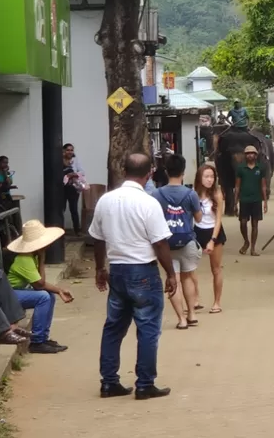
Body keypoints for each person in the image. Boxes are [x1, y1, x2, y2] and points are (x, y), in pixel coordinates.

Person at [89, 153, 178, 400]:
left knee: (113, 328)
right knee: (148, 329)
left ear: (122, 169)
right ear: (149, 173)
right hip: (143, 271)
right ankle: (145, 384)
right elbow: (160, 243)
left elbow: (97, 238)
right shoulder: (148, 203)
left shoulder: (105, 201)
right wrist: (171, 274)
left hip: (116, 269)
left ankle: (109, 382)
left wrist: (100, 269)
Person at [150, 154, 203, 330]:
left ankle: (181, 319)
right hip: (187, 240)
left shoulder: (156, 194)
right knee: (188, 277)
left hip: (165, 244)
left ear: (166, 171)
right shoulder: (191, 194)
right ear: (183, 171)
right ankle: (192, 314)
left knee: (173, 279)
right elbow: (199, 218)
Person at [6, 220, 73, 354]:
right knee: (43, 297)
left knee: (49, 296)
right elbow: (40, 284)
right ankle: (37, 342)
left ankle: (43, 337)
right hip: (9, 295)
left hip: (17, 291)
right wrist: (42, 260)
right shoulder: (24, 259)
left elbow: (39, 283)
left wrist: (58, 291)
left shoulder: (32, 256)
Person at [193, 163, 225, 313]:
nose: (210, 180)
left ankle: (217, 302)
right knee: (190, 268)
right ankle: (195, 298)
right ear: (200, 178)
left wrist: (212, 240)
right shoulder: (193, 193)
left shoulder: (217, 194)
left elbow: (219, 219)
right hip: (196, 231)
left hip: (213, 231)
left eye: (212, 177)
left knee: (216, 269)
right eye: (206, 176)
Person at [234, 145, 270, 256]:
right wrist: (235, 202)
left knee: (255, 224)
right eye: (248, 153)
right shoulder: (241, 168)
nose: (250, 155)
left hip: (256, 200)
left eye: (252, 153)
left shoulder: (260, 168)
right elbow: (237, 186)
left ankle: (253, 248)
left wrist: (265, 201)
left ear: (256, 155)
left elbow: (263, 186)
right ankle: (246, 241)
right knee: (243, 222)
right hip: (244, 199)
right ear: (245, 156)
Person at [63, 143, 88, 234]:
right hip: (62, 188)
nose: (70, 152)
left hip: (73, 187)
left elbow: (82, 171)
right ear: (63, 151)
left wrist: (73, 174)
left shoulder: (75, 160)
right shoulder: (59, 160)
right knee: (61, 209)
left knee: (73, 209)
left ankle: (77, 230)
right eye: (68, 150)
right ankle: (60, 231)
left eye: (71, 150)